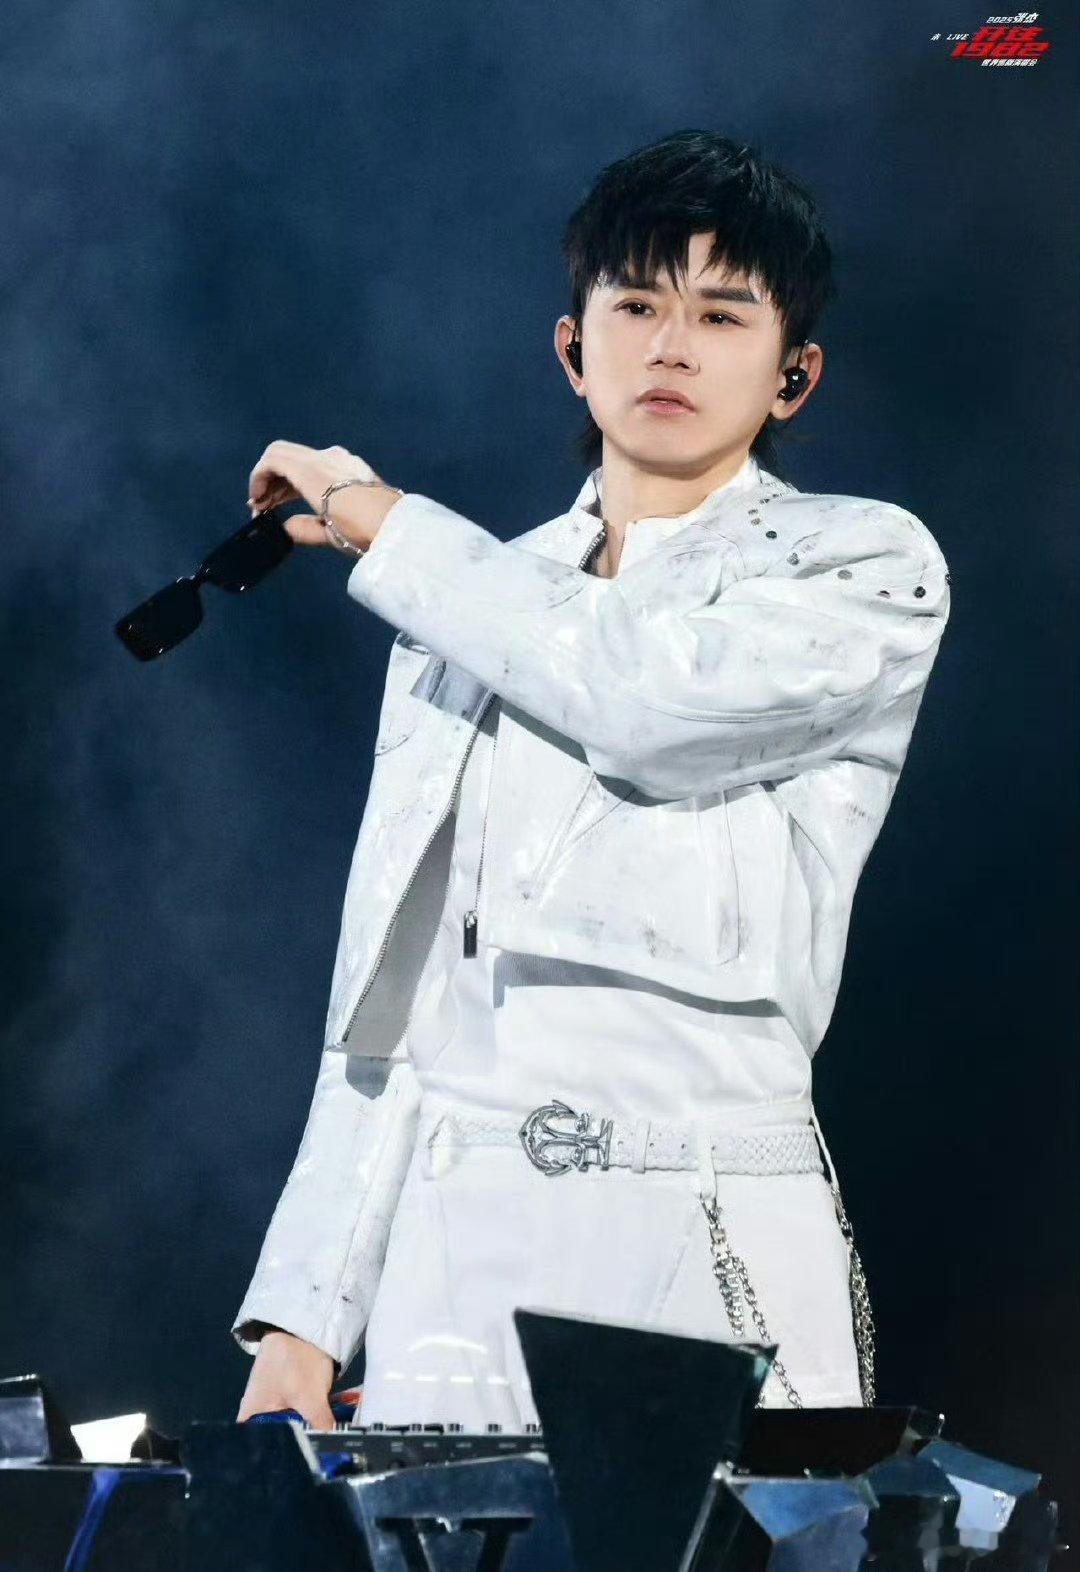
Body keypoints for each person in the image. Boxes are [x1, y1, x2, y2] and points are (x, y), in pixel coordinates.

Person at [232, 129, 951, 1430]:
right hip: (460, 1268)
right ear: (574, 350)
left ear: (793, 375)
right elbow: (392, 994)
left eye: (721, 315)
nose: (671, 347)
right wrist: (301, 1322)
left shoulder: (861, 566)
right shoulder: (459, 601)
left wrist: (376, 518)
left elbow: (644, 703)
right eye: (636, 307)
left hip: (712, 1243)